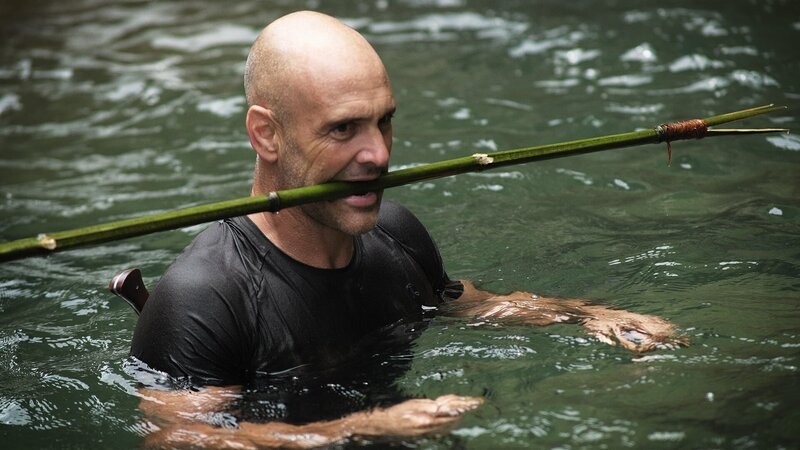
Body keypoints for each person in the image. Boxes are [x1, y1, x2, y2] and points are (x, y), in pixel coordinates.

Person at [130, 10, 684, 448]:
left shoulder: (394, 233)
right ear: (266, 135)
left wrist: (588, 315)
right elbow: (180, 438)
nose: (377, 153)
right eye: (343, 128)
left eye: (384, 121)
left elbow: (470, 305)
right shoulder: (204, 297)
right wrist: (362, 428)